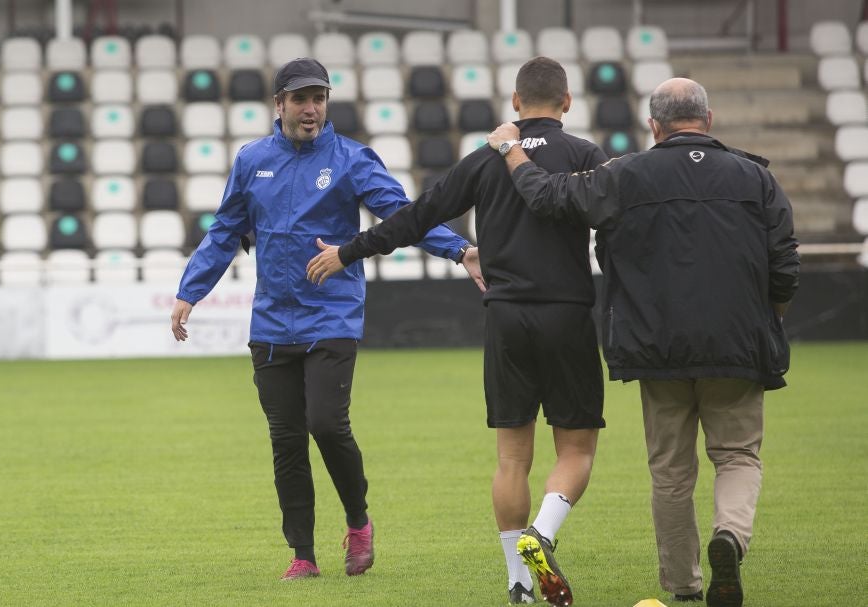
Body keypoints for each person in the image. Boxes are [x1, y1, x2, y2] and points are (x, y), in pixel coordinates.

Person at [306, 56, 608, 606]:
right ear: (567, 103)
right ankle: (544, 532)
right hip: (567, 313)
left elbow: (414, 217)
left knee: (512, 458)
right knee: (577, 449)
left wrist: (349, 252)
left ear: (515, 104)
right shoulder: (585, 155)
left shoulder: (485, 160)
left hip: (506, 316)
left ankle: (518, 581)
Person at [488, 77, 800, 607]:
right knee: (738, 457)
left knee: (671, 473)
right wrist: (768, 318)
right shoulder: (757, 179)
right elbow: (785, 266)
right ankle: (730, 536)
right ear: (710, 118)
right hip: (738, 345)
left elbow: (547, 196)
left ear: (653, 126)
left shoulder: (625, 174)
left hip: (659, 348)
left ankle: (683, 586)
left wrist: (511, 149)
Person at [169, 57, 481, 581]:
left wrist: (458, 249)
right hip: (270, 323)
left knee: (325, 423)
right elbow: (224, 231)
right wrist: (189, 291)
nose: (311, 108)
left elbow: (401, 214)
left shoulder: (352, 159)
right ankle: (303, 553)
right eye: (300, 99)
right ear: (279, 105)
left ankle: (358, 522)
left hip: (332, 315)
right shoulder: (251, 161)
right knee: (286, 439)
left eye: (319, 98)